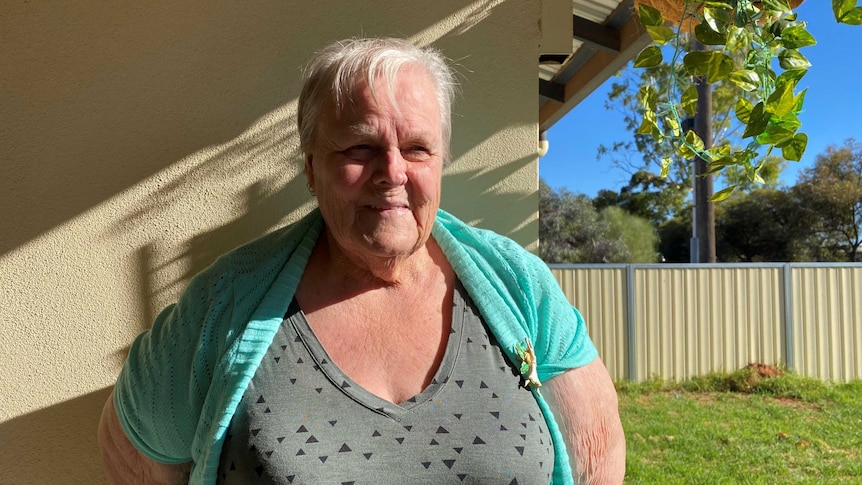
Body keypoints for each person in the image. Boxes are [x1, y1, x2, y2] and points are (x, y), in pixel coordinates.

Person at [98, 37, 625, 484]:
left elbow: (597, 453)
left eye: (417, 148)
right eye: (359, 147)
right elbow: (130, 447)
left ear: (440, 163)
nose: (392, 172)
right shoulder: (228, 302)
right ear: (311, 167)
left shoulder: (516, 282)